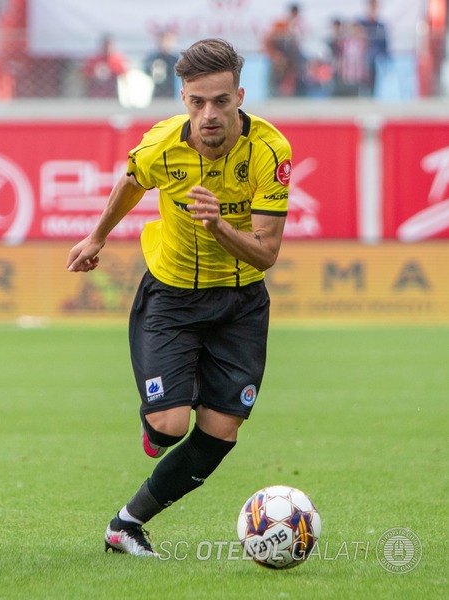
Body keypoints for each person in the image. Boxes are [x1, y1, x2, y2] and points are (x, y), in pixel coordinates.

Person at [67, 38, 291, 556]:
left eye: (220, 101)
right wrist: (97, 236)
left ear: (239, 95)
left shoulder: (271, 151)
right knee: (169, 427)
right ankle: (160, 415)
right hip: (171, 296)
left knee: (220, 432)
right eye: (196, 102)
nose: (208, 115)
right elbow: (131, 181)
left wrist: (217, 227)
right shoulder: (162, 144)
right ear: (183, 97)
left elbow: (266, 255)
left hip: (240, 303)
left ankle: (126, 525)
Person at [263, 3, 306, 97]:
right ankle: (273, 94)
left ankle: (292, 93)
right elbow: (269, 39)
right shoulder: (280, 24)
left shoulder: (297, 26)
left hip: (291, 57)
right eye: (294, 13)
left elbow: (296, 44)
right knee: (277, 76)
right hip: (278, 57)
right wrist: (275, 55)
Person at [357, 0, 389, 97]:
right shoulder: (360, 24)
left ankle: (373, 94)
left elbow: (384, 44)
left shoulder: (380, 25)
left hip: (376, 57)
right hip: (362, 57)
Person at [83, 34, 129, 99]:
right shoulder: (93, 60)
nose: (107, 48)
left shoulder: (117, 60)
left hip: (112, 92)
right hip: (95, 93)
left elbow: (123, 76)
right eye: (105, 45)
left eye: (109, 45)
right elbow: (85, 76)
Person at [144, 31, 179, 100]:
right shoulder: (154, 57)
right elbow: (146, 70)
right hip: (158, 93)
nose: (169, 44)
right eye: (167, 41)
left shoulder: (174, 58)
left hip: (171, 94)